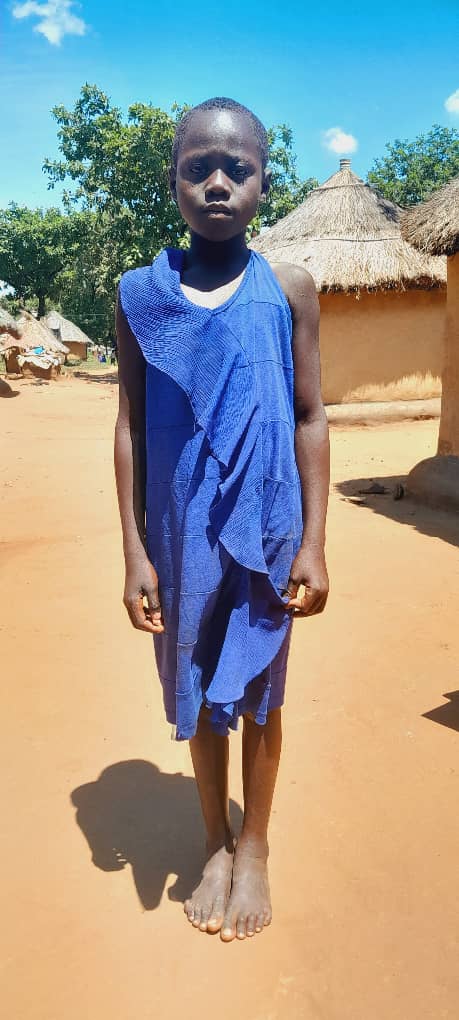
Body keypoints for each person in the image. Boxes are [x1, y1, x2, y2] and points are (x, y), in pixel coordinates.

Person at [114, 98, 329, 942]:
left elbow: (308, 415)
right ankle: (213, 841)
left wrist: (312, 542)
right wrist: (134, 551)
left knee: (262, 688)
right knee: (195, 683)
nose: (215, 184)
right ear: (171, 182)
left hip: (266, 526)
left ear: (263, 183)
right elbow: (131, 426)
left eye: (235, 169)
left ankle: (256, 846)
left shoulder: (290, 290)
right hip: (178, 535)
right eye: (196, 168)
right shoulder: (141, 296)